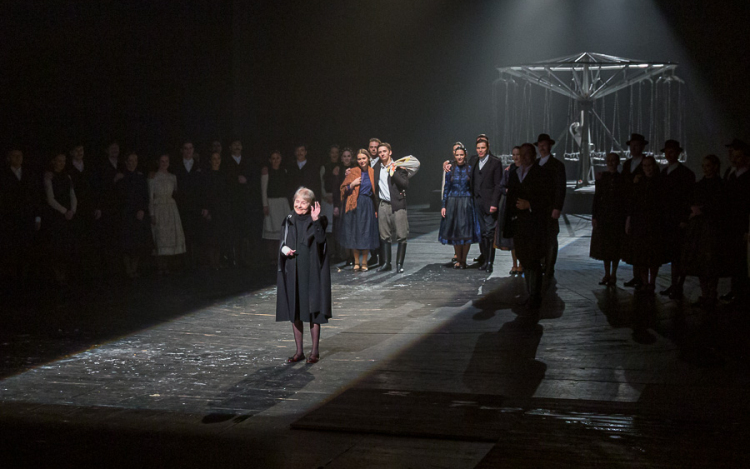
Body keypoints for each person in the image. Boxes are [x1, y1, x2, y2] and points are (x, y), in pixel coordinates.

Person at [276, 187, 331, 364]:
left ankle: (314, 352)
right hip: (293, 270)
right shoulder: (288, 219)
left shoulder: (319, 220)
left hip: (311, 271)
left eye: (304, 202)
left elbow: (321, 241)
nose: (299, 205)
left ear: (311, 205)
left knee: (313, 310)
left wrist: (315, 220)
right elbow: (282, 242)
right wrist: (284, 249)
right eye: (297, 201)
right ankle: (299, 351)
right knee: (296, 311)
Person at [503, 143, 554, 313]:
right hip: (519, 224)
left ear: (533, 155)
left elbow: (547, 198)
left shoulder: (541, 174)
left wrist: (530, 204)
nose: (524, 157)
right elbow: (510, 198)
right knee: (524, 259)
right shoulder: (515, 173)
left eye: (527, 154)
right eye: (521, 154)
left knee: (533, 260)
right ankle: (529, 293)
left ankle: (535, 296)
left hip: (534, 224)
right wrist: (509, 222)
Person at [681, 155, 725, 308]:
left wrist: (701, 210)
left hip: (711, 228)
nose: (705, 169)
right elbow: (690, 200)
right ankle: (706, 293)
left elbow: (720, 205)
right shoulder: (700, 185)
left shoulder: (719, 185)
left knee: (710, 260)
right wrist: (693, 209)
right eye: (704, 166)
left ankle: (711, 294)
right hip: (699, 228)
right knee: (701, 260)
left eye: (708, 166)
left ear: (715, 166)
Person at [658, 140, 695, 299]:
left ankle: (678, 285)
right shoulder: (664, 173)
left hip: (678, 220)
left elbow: (688, 197)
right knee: (673, 254)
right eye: (667, 151)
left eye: (672, 151)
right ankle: (674, 284)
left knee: (679, 255)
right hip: (667, 219)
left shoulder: (685, 174)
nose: (669, 154)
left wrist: (684, 218)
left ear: (678, 153)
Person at [0, 148, 42, 284]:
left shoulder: (30, 174)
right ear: (9, 158)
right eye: (15, 156)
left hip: (28, 218)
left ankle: (26, 279)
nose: (18, 158)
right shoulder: (3, 175)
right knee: (12, 249)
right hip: (10, 219)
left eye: (20, 155)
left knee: (27, 248)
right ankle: (12, 280)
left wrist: (37, 217)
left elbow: (36, 196)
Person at [625, 156, 663, 293]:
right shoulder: (639, 182)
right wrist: (629, 220)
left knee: (652, 254)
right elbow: (632, 202)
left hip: (654, 222)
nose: (647, 168)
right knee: (641, 254)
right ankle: (645, 281)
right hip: (640, 222)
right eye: (645, 166)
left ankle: (651, 282)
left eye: (650, 165)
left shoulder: (660, 182)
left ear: (654, 166)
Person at [439, 145, 480, 268]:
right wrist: (444, 205)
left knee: (466, 232)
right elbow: (446, 188)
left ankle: (463, 260)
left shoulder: (470, 169)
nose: (459, 157)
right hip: (453, 202)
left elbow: (474, 187)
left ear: (465, 155)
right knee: (456, 232)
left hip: (466, 202)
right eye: (457, 155)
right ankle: (459, 259)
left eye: (461, 155)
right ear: (454, 156)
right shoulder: (450, 170)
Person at [590, 152, 628, 286]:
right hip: (604, 216)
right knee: (605, 246)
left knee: (615, 246)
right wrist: (594, 216)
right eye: (609, 160)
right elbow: (597, 197)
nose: (611, 163)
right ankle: (607, 273)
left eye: (613, 160)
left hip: (617, 216)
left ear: (618, 162)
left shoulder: (622, 179)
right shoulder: (602, 178)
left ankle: (613, 274)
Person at [340, 149, 380, 271]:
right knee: (355, 233)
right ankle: (356, 262)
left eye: (364, 158)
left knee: (366, 233)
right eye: (359, 159)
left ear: (368, 159)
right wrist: (352, 184)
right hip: (354, 205)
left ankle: (364, 262)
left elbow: (375, 191)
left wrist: (376, 209)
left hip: (367, 205)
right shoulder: (353, 171)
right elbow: (343, 190)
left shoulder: (372, 172)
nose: (361, 161)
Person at [225, 139, 263, 266]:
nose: (237, 147)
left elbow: (254, 179)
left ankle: (246, 258)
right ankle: (233, 258)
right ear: (230, 147)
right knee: (233, 231)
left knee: (246, 230)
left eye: (239, 144)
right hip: (232, 202)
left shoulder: (248, 161)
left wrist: (246, 181)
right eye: (234, 144)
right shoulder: (226, 162)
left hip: (246, 202)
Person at [721, 142, 750, 305]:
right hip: (732, 223)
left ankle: (741, 293)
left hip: (742, 223)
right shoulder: (730, 172)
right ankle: (736, 290)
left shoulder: (745, 175)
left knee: (742, 260)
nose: (734, 158)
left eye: (738, 156)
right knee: (734, 258)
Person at [373, 142, 410, 273]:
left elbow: (405, 184)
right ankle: (386, 263)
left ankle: (399, 264)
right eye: (380, 152)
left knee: (401, 234)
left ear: (390, 152)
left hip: (397, 204)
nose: (382, 154)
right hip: (383, 204)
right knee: (384, 235)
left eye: (384, 151)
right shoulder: (377, 167)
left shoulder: (398, 166)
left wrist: (394, 173)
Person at [534, 133, 566, 280]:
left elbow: (560, 188)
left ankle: (549, 267)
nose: (542, 148)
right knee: (539, 238)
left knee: (551, 238)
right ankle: (541, 264)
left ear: (550, 146)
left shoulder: (557, 165)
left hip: (550, 208)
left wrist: (557, 207)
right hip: (536, 209)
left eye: (544, 145)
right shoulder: (535, 164)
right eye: (540, 145)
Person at [469, 136, 503, 272]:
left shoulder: (495, 162)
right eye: (478, 148)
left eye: (483, 148)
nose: (480, 150)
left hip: (489, 203)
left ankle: (490, 262)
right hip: (477, 201)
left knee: (489, 232)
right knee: (482, 232)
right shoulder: (474, 160)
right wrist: (447, 163)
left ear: (488, 147)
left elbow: (498, 185)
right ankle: (484, 259)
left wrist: (494, 203)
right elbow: (460, 162)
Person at [116, 152, 152, 279]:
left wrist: (142, 209)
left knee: (138, 243)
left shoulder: (140, 177)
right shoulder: (121, 176)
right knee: (127, 243)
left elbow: (145, 195)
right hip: (126, 214)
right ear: (126, 162)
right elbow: (119, 197)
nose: (133, 163)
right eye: (130, 160)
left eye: (135, 160)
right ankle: (128, 269)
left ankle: (134, 268)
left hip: (138, 214)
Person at [149, 154, 186, 275]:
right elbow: (151, 197)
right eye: (162, 161)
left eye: (166, 161)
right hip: (159, 208)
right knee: (160, 236)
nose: (164, 163)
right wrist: (152, 213)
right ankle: (160, 266)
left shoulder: (172, 177)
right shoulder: (153, 177)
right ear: (158, 162)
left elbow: (175, 192)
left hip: (170, 208)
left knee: (170, 236)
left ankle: (168, 265)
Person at [43, 153, 77, 285]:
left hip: (68, 215)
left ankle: (66, 272)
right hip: (56, 216)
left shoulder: (67, 176)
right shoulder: (49, 177)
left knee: (67, 245)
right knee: (57, 245)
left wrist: (72, 210)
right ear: (53, 162)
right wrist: (64, 211)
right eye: (59, 161)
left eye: (63, 161)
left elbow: (72, 194)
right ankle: (57, 273)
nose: (62, 163)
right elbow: (50, 199)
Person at [621, 133, 648, 288]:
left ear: (642, 147)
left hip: (641, 209)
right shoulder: (627, 164)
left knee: (641, 245)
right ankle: (636, 276)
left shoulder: (647, 163)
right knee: (632, 244)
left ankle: (644, 279)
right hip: (628, 206)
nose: (633, 148)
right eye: (631, 146)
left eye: (636, 145)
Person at [67, 143, 98, 280]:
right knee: (77, 240)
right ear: (71, 152)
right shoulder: (68, 168)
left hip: (89, 208)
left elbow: (95, 188)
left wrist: (97, 206)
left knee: (90, 240)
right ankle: (77, 272)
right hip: (75, 209)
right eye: (77, 150)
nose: (80, 153)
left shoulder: (89, 166)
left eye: (81, 150)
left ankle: (90, 271)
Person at [172, 141, 204, 270]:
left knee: (196, 233)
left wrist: (203, 206)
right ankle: (184, 263)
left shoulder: (199, 166)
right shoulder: (176, 166)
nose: (188, 151)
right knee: (183, 233)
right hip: (182, 205)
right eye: (186, 148)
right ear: (182, 150)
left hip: (196, 205)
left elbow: (203, 188)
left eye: (190, 148)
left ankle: (195, 262)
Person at [94, 140, 123, 277]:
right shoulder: (102, 165)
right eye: (112, 148)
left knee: (119, 237)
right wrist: (114, 180)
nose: (115, 150)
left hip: (121, 206)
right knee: (108, 237)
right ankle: (107, 269)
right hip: (108, 206)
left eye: (116, 147)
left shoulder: (123, 164)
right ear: (107, 150)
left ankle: (119, 268)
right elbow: (99, 187)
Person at [201, 152, 233, 270]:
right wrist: (206, 209)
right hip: (211, 209)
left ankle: (218, 261)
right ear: (210, 160)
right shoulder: (206, 175)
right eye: (214, 158)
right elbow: (205, 193)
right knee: (212, 236)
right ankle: (212, 262)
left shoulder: (224, 174)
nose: (216, 161)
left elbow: (227, 192)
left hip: (222, 209)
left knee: (220, 236)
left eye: (218, 158)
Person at [496, 146, 522, 275]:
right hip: (510, 205)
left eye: (518, 154)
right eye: (514, 154)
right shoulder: (509, 170)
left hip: (520, 204)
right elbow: (501, 186)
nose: (515, 157)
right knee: (512, 237)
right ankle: (514, 264)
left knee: (520, 237)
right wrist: (507, 190)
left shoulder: (525, 169)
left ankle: (522, 264)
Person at [262, 150, 292, 261]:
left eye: (277, 158)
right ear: (270, 160)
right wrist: (265, 205)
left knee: (282, 232)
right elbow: (264, 190)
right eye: (273, 158)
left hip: (282, 203)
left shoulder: (284, 171)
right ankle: (272, 257)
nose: (275, 161)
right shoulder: (266, 172)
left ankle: (281, 256)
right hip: (271, 203)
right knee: (271, 232)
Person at [333, 147, 355, 264]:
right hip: (343, 203)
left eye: (348, 156)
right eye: (344, 156)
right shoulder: (339, 171)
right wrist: (336, 205)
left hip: (354, 202)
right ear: (341, 158)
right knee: (345, 230)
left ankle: (354, 256)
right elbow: (336, 189)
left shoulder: (355, 169)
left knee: (353, 229)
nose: (346, 158)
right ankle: (347, 256)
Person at [319, 144, 341, 248]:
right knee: (327, 228)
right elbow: (321, 184)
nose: (334, 155)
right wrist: (325, 196)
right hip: (327, 199)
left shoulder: (341, 166)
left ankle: (338, 251)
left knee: (337, 227)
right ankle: (328, 250)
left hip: (338, 199)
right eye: (332, 152)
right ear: (329, 154)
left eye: (336, 152)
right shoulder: (324, 167)